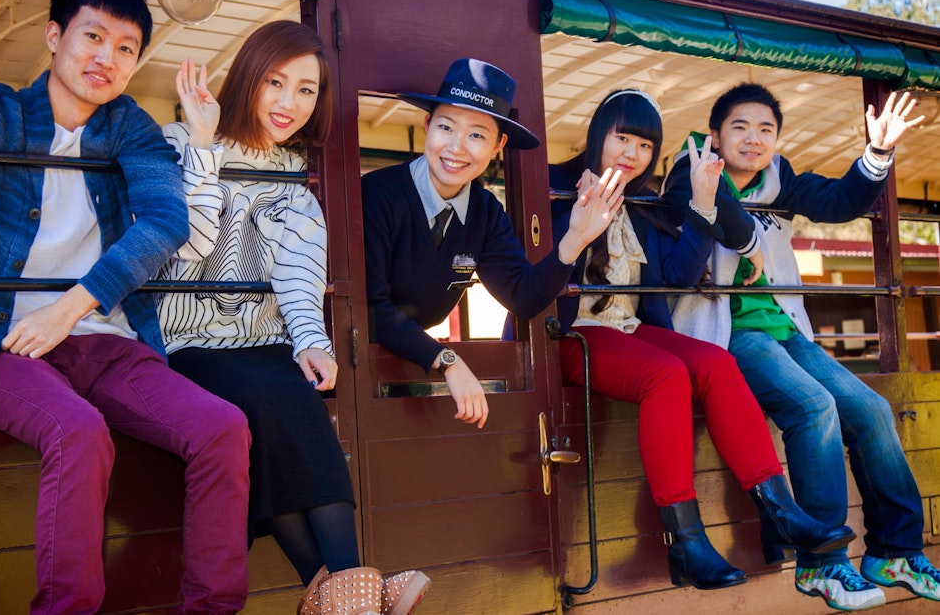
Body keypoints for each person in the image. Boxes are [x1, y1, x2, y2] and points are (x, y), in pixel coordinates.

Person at [0, 0, 252, 613]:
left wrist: (71, 308)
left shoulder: (129, 128)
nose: (107, 59)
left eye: (125, 49)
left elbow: (167, 220)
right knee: (79, 431)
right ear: (54, 35)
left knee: (222, 426)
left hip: (104, 342)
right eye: (93, 37)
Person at [157, 21, 427, 615]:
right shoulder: (175, 142)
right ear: (248, 76)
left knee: (298, 407)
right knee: (267, 401)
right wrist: (203, 146)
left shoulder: (293, 176)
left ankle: (340, 596)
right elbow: (188, 247)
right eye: (276, 82)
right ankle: (358, 593)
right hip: (188, 341)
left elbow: (299, 277)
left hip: (263, 344)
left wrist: (312, 342)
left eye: (306, 90)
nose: (290, 103)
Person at [551, 89, 855, 590]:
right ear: (597, 135)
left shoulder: (643, 200)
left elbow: (675, 277)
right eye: (621, 139)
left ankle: (780, 510)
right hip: (571, 333)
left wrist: (701, 204)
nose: (632, 154)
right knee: (666, 374)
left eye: (645, 146)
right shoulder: (555, 186)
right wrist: (580, 226)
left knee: (714, 361)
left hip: (629, 328)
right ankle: (687, 543)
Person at [662, 82, 940, 610]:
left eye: (766, 129)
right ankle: (824, 564)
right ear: (716, 133)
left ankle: (895, 551)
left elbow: (838, 201)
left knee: (872, 409)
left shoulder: (778, 178)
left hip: (787, 330)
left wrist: (877, 152)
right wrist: (748, 243)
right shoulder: (693, 165)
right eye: (739, 127)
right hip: (727, 334)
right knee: (815, 408)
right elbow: (721, 212)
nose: (753, 139)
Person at [363, 58, 624, 430]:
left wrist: (575, 239)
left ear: (498, 144)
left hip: (411, 365)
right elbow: (370, 308)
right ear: (427, 125)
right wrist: (447, 360)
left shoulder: (485, 211)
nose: (456, 147)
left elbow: (523, 297)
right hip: (349, 361)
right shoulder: (377, 195)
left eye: (476, 135)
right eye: (445, 127)